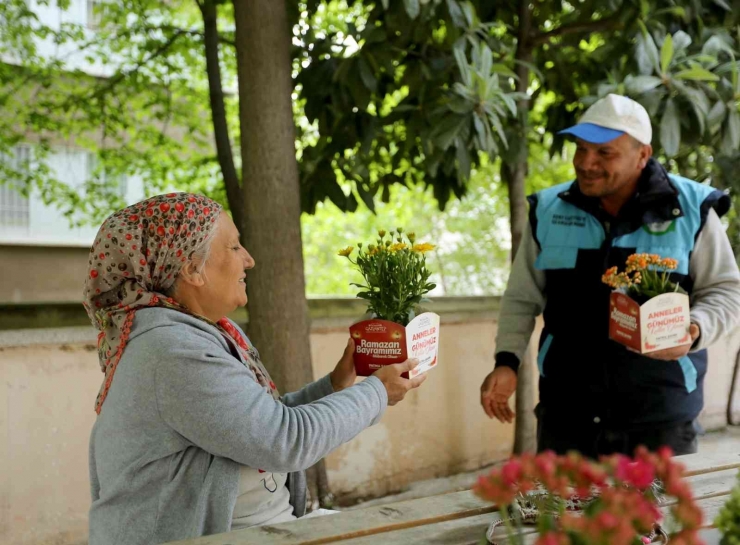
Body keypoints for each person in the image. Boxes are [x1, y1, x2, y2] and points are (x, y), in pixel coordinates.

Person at [84, 193, 426, 545]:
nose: (248, 259)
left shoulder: (200, 333)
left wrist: (336, 385)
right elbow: (284, 440)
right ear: (190, 268)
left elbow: (255, 423)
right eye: (233, 248)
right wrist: (377, 393)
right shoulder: (172, 351)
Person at [479, 94, 740, 458]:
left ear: (642, 155)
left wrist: (694, 330)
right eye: (581, 149)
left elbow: (727, 292)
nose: (586, 163)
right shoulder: (549, 211)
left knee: (658, 516)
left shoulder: (692, 210)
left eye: (605, 153)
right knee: (562, 515)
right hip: (566, 416)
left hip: (660, 418)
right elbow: (522, 297)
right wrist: (507, 362)